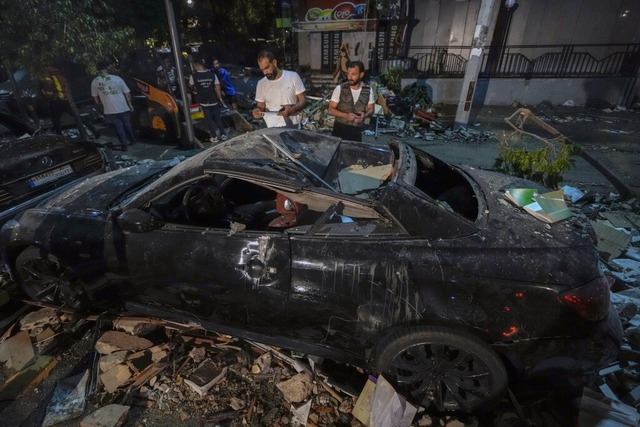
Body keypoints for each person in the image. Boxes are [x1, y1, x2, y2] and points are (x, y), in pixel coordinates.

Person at [252, 50, 306, 128]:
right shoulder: (261, 83)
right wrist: (256, 111)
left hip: (293, 125)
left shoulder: (293, 77)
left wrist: (292, 110)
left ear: (274, 63)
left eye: (267, 68)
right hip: (272, 127)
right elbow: (260, 106)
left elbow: (303, 100)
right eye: (262, 70)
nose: (265, 72)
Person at [91, 62, 136, 151]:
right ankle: (132, 139)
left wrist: (100, 106)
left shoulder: (95, 81)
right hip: (123, 106)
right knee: (127, 124)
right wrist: (130, 104)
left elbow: (95, 97)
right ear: (106, 69)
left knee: (118, 126)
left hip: (109, 109)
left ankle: (124, 145)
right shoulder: (117, 79)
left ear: (98, 70)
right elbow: (127, 93)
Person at [327, 60, 374, 142]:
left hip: (356, 132)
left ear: (361, 75)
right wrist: (346, 115)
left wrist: (365, 116)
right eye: (348, 73)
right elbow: (330, 109)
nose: (349, 77)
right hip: (339, 130)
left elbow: (371, 109)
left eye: (353, 74)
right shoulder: (340, 89)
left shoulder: (368, 90)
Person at [189, 61, 227, 143]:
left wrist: (195, 90)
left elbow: (191, 86)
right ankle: (223, 135)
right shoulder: (212, 75)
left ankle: (214, 137)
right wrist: (220, 97)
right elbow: (217, 87)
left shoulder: (193, 76)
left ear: (197, 67)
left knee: (209, 119)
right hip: (213, 99)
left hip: (203, 101)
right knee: (217, 118)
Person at [41, 66, 74, 135]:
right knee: (75, 115)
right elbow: (66, 88)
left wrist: (45, 95)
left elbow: (48, 91)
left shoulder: (47, 78)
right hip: (64, 99)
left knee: (55, 120)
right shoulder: (60, 77)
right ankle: (93, 129)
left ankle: (60, 136)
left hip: (55, 101)